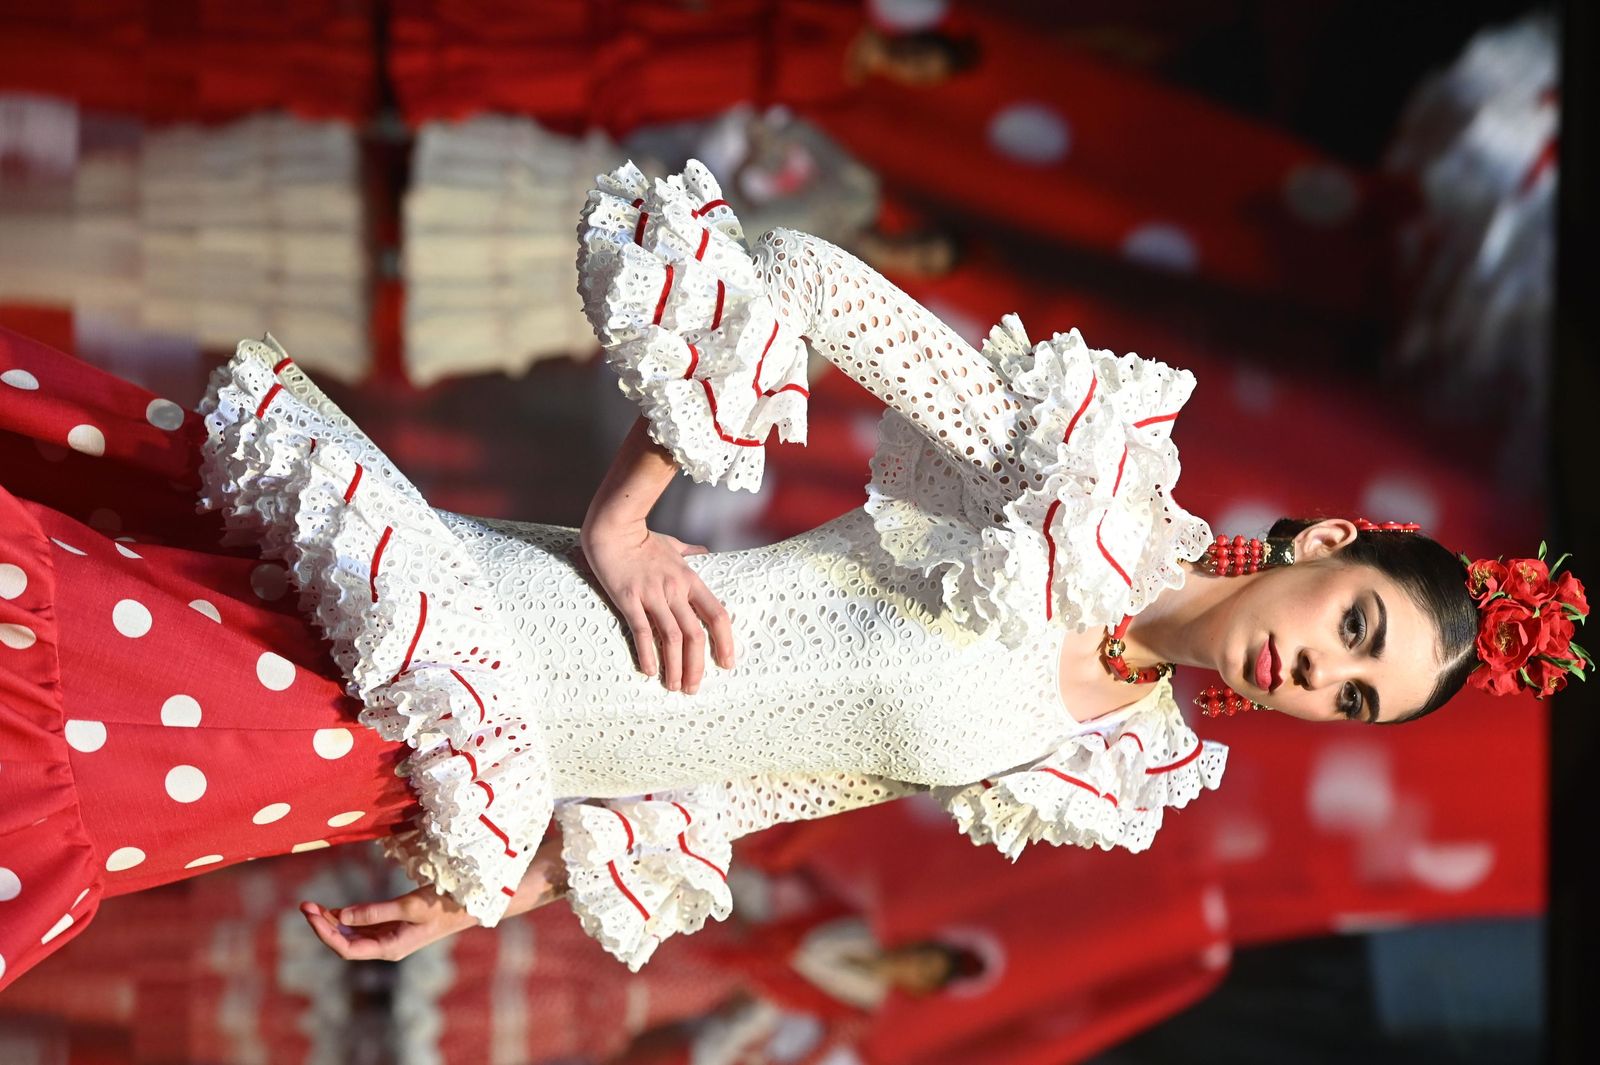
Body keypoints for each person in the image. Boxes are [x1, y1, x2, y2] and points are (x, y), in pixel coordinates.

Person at [0, 161, 1586, 993]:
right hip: (477, 641)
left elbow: (786, 773)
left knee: (119, 778)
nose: (1326, 671)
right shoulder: (1079, 485)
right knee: (76, 715)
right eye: (1357, 626)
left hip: (483, 771)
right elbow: (808, 282)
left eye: (1359, 697)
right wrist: (626, 519)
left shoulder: (1116, 750)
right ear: (1321, 548)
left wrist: (515, 887)